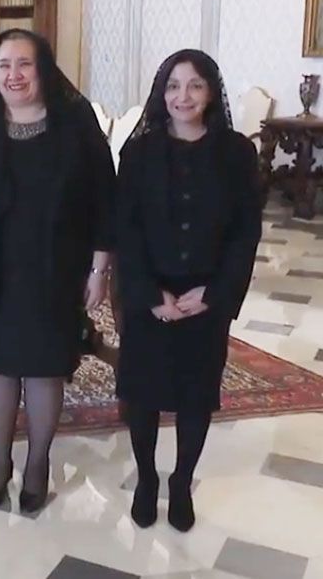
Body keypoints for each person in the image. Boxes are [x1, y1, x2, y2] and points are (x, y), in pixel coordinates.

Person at [0, 29, 114, 514]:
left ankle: (37, 463)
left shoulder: (76, 123)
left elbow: (105, 196)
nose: (13, 75)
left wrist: (100, 267)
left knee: (43, 368)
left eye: (24, 65)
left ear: (44, 69)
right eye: (4, 66)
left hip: (56, 268)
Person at [115, 49, 261, 532]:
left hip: (207, 297)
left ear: (211, 92)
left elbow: (245, 231)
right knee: (143, 395)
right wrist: (149, 294)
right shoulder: (138, 153)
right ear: (162, 92)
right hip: (147, 297)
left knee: (197, 395)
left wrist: (216, 293)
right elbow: (126, 227)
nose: (183, 96)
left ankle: (181, 482)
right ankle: (146, 481)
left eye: (195, 85)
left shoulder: (237, 152)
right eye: (174, 85)